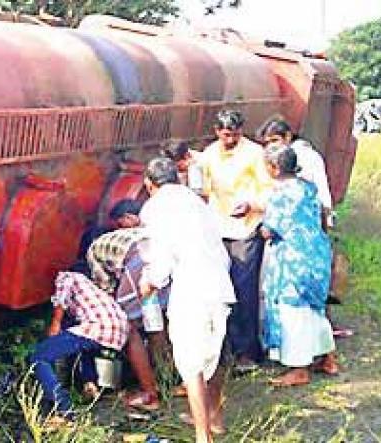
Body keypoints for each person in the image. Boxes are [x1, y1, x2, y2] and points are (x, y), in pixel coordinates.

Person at [137, 157, 235, 442]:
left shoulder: (155, 208)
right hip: (219, 283)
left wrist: (151, 282)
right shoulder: (197, 202)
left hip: (192, 288)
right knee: (214, 355)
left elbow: (162, 254)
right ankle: (214, 418)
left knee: (191, 364)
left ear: (149, 184)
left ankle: (203, 436)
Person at [192, 109, 272, 373]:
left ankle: (248, 352)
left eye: (235, 134)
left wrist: (252, 204)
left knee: (244, 290)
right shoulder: (209, 155)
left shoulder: (255, 154)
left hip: (246, 228)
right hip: (218, 228)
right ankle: (225, 350)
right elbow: (204, 190)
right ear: (217, 132)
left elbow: (269, 190)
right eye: (226, 134)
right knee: (220, 290)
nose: (231, 139)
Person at [258, 144, 338, 387]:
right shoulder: (308, 187)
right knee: (314, 307)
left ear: (274, 168)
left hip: (292, 260)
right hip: (316, 253)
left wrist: (258, 225)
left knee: (293, 312)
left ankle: (299, 369)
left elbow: (269, 231)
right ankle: (328, 358)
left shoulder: (280, 194)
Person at [31, 272, 128, 426]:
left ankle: (64, 410)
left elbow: (62, 297)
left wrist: (55, 324)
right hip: (119, 330)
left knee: (39, 356)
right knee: (81, 346)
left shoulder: (64, 276)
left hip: (97, 326)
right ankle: (90, 384)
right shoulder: (88, 284)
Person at [86, 226, 164, 412]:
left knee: (128, 330)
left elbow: (107, 290)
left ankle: (149, 393)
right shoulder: (125, 234)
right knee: (157, 322)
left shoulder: (93, 252)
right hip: (163, 264)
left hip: (139, 266)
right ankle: (166, 377)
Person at [71, 199, 142, 276]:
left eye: (120, 225)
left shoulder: (140, 239)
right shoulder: (98, 235)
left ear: (129, 217)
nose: (119, 231)